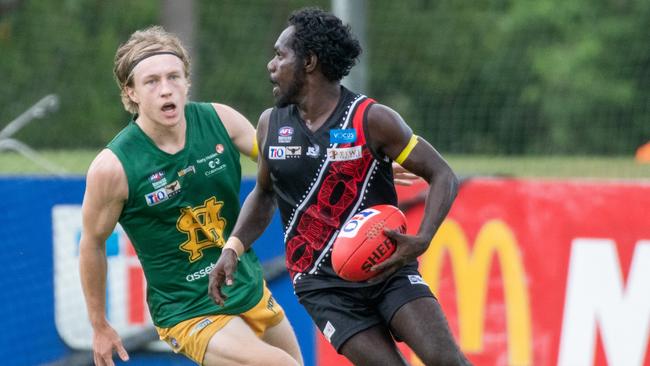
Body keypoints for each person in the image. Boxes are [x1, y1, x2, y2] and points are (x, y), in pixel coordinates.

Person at [209, 7, 470, 366]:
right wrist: (233, 248)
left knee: (447, 361)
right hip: (321, 284)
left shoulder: (372, 119)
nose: (271, 65)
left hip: (386, 266)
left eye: (280, 55)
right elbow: (265, 193)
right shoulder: (271, 124)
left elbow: (443, 174)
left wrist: (422, 238)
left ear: (310, 62)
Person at [78, 26, 303, 366]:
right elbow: (92, 243)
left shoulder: (220, 121)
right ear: (131, 92)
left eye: (174, 77)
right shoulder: (113, 168)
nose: (166, 90)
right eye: (151, 81)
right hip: (188, 309)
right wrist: (98, 324)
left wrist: (361, 160)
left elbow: (290, 163)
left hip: (246, 286)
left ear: (187, 81)